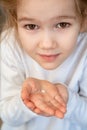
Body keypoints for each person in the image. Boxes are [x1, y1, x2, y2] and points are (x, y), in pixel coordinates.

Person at [0, 0, 87, 130]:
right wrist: (26, 100)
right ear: (15, 18)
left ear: (84, 19)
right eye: (31, 26)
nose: (47, 44)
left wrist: (69, 99)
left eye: (62, 24)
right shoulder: (10, 44)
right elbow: (7, 115)